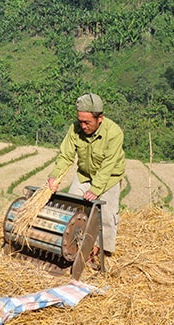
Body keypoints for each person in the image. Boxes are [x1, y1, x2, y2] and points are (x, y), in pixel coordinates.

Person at [47, 93, 125, 260]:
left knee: (106, 214)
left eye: (87, 122)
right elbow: (66, 155)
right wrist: (55, 176)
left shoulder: (114, 133)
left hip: (109, 177)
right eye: (80, 121)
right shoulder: (75, 128)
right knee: (72, 207)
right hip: (85, 175)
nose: (83, 126)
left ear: (100, 118)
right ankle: (69, 245)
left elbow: (108, 166)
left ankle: (102, 253)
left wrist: (96, 189)